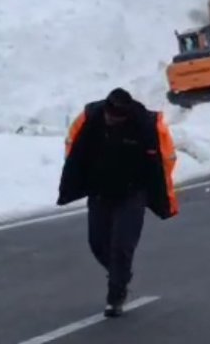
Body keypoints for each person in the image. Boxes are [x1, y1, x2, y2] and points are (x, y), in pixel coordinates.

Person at [57, 88, 179, 317]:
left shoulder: (145, 125)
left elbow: (165, 160)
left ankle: (115, 295)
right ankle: (120, 273)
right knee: (97, 243)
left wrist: (160, 194)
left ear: (126, 115)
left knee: (122, 244)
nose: (112, 120)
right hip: (100, 191)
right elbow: (74, 150)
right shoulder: (92, 119)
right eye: (110, 116)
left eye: (117, 118)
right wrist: (76, 181)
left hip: (133, 193)